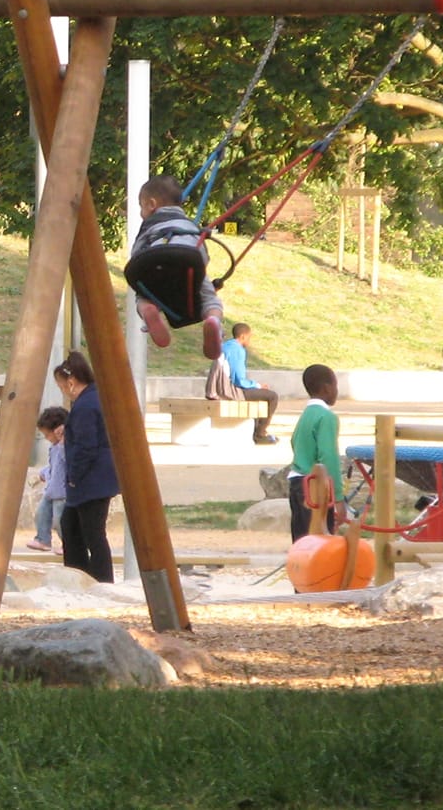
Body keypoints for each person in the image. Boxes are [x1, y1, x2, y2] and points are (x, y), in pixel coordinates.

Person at [130, 174, 224, 360]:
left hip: (155, 259)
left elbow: (137, 254)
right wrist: (201, 272)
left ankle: (149, 310)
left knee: (143, 296)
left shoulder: (150, 225)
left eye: (142, 206)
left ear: (152, 204)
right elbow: (203, 254)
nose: (141, 213)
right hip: (190, 259)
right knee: (209, 298)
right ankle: (213, 320)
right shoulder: (189, 225)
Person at [53, 350, 119, 582]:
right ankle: (82, 576)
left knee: (92, 533)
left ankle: (100, 579)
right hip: (97, 477)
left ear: (71, 382)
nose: (63, 391)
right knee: (72, 526)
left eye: (62, 386)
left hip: (90, 479)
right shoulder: (94, 398)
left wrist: (74, 475)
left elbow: (86, 446)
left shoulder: (85, 406)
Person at [287, 364, 342, 542]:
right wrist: (338, 498)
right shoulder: (327, 417)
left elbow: (294, 441)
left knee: (301, 542)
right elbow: (328, 457)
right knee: (320, 542)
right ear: (327, 388)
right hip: (314, 487)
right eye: (335, 386)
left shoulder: (306, 414)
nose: (337, 391)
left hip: (296, 482)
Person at [211, 322, 280, 445]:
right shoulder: (237, 349)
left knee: (258, 394)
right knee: (272, 396)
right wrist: (257, 385)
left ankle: (257, 432)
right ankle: (260, 434)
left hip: (217, 388)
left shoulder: (226, 346)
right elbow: (239, 380)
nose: (249, 340)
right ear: (243, 336)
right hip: (228, 390)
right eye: (249, 337)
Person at [25, 406, 69, 554]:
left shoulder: (64, 447)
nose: (46, 438)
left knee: (60, 521)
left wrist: (63, 442)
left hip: (62, 493)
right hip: (51, 491)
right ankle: (43, 539)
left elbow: (67, 462)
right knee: (41, 514)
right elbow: (53, 467)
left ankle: (69, 544)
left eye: (47, 434)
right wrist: (42, 474)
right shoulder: (54, 447)